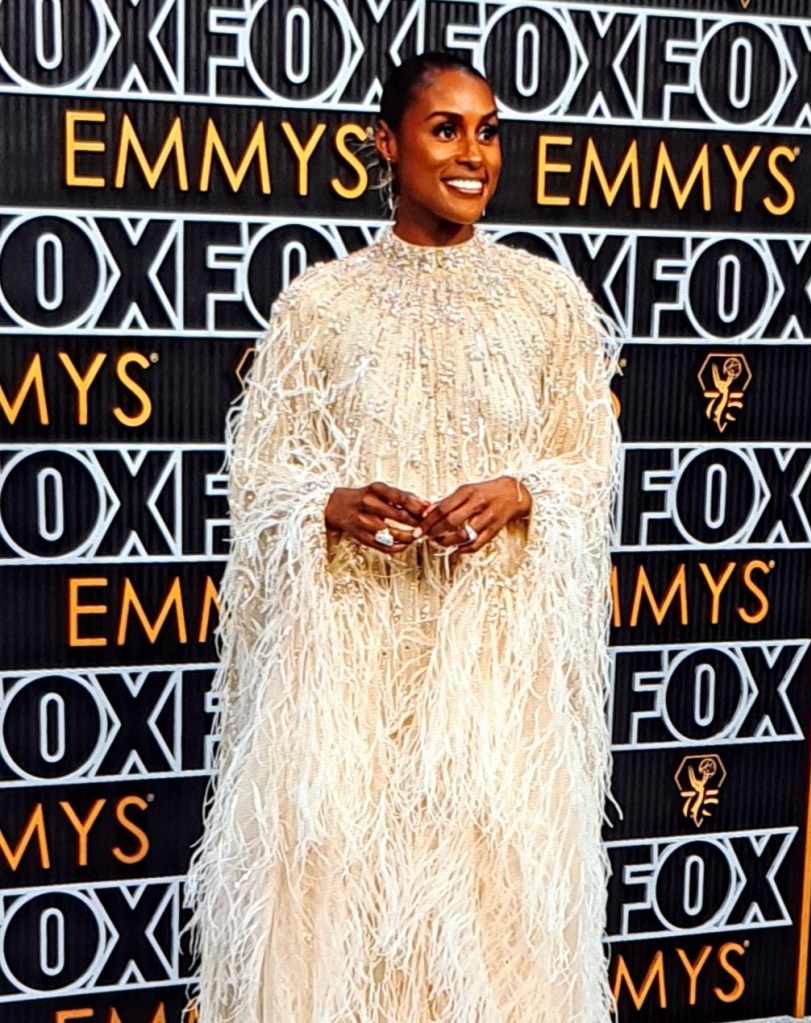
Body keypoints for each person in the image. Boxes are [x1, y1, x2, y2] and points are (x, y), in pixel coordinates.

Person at [186, 51, 620, 1023]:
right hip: (353, 676)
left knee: (491, 913)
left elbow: (590, 462)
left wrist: (520, 491)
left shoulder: (547, 300)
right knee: (343, 915)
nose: (473, 153)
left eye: (489, 131)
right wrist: (327, 503)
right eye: (445, 128)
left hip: (489, 676)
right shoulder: (320, 304)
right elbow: (258, 473)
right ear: (387, 143)